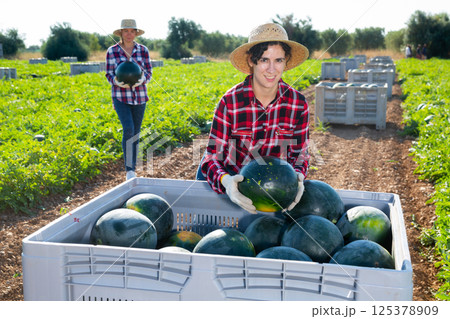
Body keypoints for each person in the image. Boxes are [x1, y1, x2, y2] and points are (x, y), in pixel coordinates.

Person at [199, 23, 310, 214]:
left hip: (270, 187)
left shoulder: (297, 104)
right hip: (232, 180)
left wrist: (298, 177)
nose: (272, 69)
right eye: (264, 60)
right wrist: (227, 182)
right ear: (252, 60)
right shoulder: (230, 102)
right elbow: (211, 157)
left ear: (286, 62)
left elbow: (299, 155)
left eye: (279, 60)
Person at [105, 19, 152, 180]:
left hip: (140, 97)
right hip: (120, 97)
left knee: (136, 133)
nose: (129, 34)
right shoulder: (112, 51)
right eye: (126, 31)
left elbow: (148, 72)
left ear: (136, 33)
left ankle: (132, 166)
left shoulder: (143, 50)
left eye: (132, 31)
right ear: (121, 33)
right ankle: (129, 170)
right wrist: (116, 82)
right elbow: (109, 74)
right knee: (128, 128)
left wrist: (142, 80)